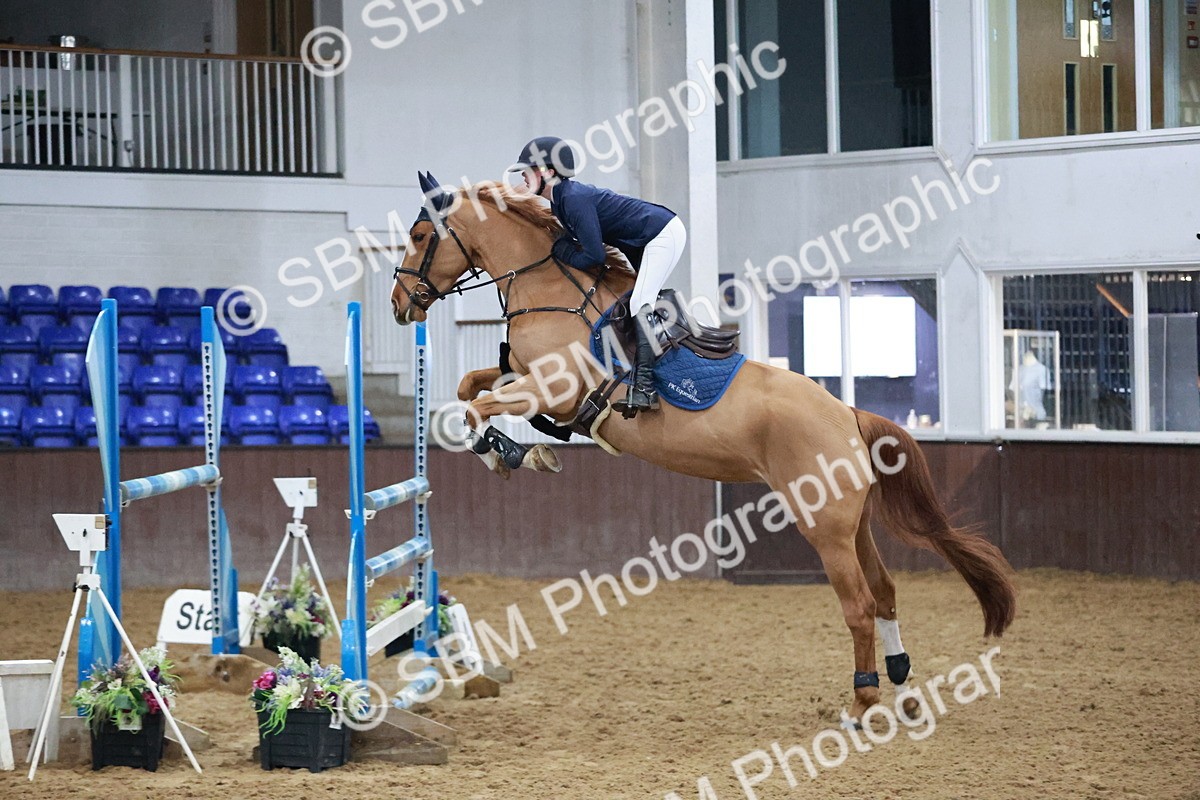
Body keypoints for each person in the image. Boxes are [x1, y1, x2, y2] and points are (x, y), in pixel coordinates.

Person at [508, 136, 687, 417]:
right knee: (634, 300)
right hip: (641, 241)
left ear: (549, 172)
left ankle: (645, 388)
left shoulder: (574, 200)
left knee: (640, 302)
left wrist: (561, 250)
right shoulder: (560, 203)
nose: (522, 175)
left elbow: (594, 257)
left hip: (661, 234)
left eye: (528, 169)